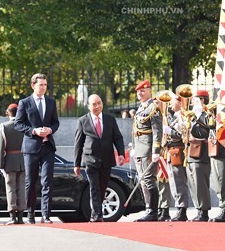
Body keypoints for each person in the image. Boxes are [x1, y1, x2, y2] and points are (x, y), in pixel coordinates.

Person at [14, 73, 60, 224]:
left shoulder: (51, 102)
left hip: (48, 147)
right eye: (41, 85)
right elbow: (18, 124)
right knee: (31, 181)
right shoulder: (25, 102)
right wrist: (34, 131)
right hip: (31, 147)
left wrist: (50, 130)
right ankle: (31, 214)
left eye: (45, 85)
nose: (43, 87)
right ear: (33, 85)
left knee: (47, 182)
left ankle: (46, 215)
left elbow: (56, 123)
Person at [74, 94, 125, 222]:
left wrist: (121, 154)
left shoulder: (110, 119)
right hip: (90, 159)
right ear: (88, 106)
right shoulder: (83, 121)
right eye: (94, 104)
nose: (97, 106)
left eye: (99, 103)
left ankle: (95, 212)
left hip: (107, 159)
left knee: (102, 187)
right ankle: (97, 215)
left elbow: (117, 138)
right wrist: (77, 164)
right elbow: (78, 143)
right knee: (94, 187)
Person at [132, 80, 163, 222]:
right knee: (143, 180)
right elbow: (135, 131)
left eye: (143, 90)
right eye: (138, 91)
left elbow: (157, 131)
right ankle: (148, 208)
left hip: (148, 150)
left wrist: (156, 150)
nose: (140, 93)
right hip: (139, 149)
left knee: (149, 180)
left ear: (150, 91)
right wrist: (133, 148)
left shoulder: (153, 108)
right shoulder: (140, 108)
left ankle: (153, 211)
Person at [163, 95, 191, 221]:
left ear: (180, 103)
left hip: (178, 150)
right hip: (171, 150)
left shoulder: (183, 116)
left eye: (173, 102)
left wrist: (170, 132)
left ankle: (182, 209)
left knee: (179, 180)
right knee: (174, 180)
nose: (170, 104)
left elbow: (182, 134)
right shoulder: (174, 116)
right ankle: (179, 207)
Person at [0, 103, 26, 225]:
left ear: (8, 113)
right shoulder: (24, 126)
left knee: (10, 189)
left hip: (9, 160)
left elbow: (1, 148)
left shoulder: (4, 126)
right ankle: (20, 217)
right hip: (23, 160)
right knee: (21, 189)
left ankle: (12, 216)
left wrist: (0, 164)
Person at [186, 92, 211, 222]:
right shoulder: (192, 115)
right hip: (191, 151)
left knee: (201, 183)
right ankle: (198, 209)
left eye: (195, 100)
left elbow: (207, 128)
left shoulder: (207, 113)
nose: (192, 102)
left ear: (202, 100)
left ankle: (204, 211)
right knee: (193, 183)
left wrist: (199, 116)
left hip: (202, 151)